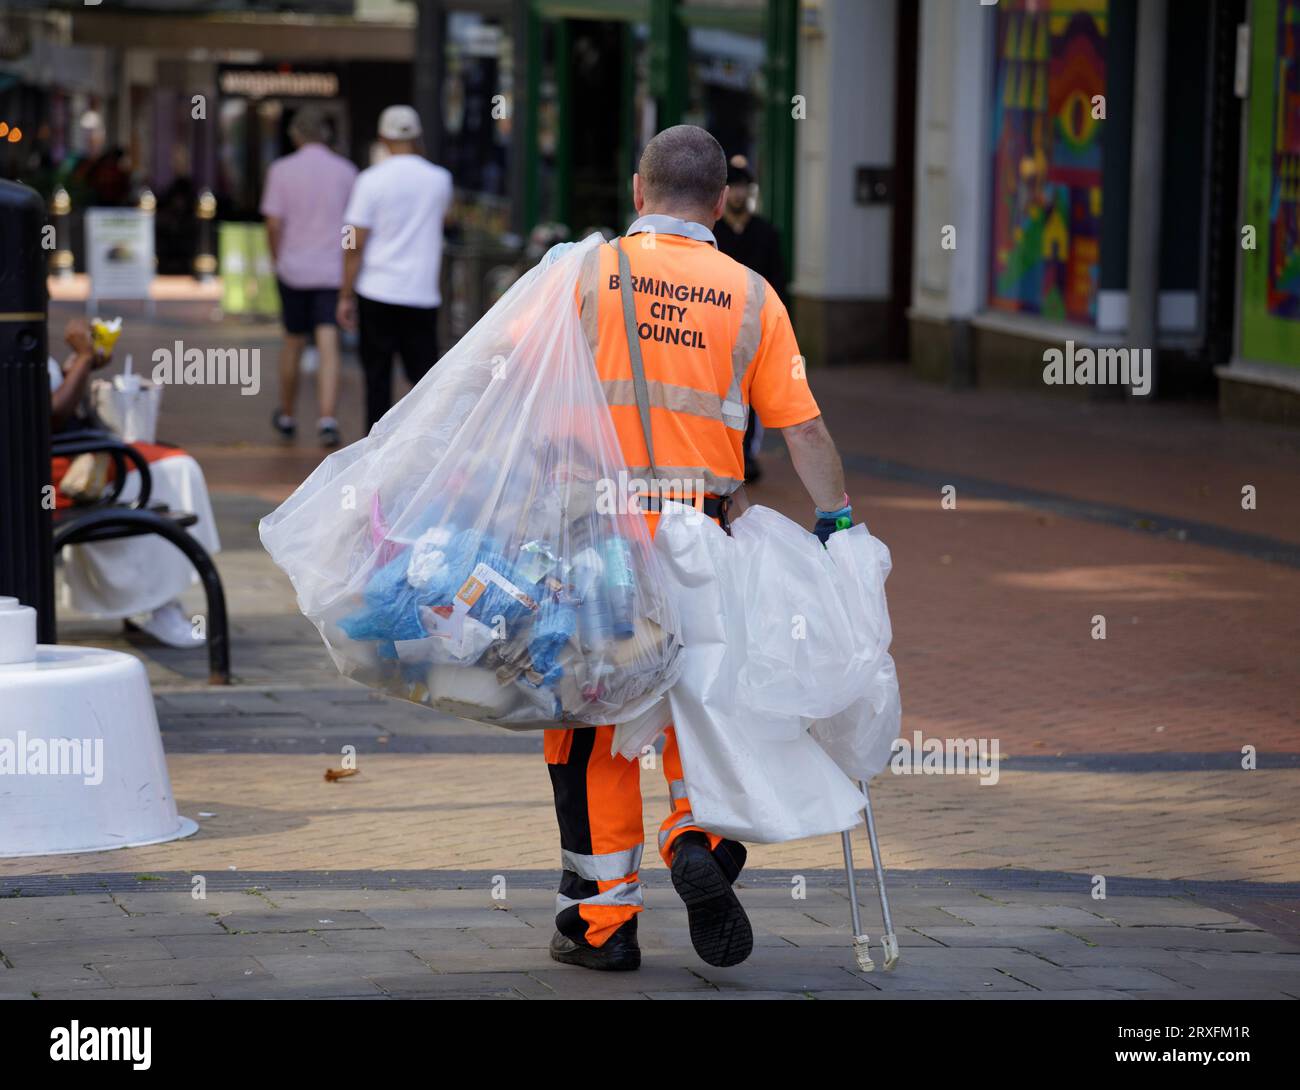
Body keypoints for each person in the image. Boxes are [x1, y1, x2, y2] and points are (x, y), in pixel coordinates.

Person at [546, 125, 855, 972]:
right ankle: (701, 844)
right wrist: (839, 525)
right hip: (701, 533)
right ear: (722, 203)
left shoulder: (584, 273)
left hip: (597, 538)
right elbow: (804, 428)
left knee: (592, 720)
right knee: (701, 703)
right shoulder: (753, 294)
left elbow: (509, 392)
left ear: (638, 191)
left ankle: (603, 927)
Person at [48, 319, 221, 649]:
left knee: (172, 463)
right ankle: (151, 601)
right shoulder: (15, 333)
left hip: (66, 455)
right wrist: (83, 358)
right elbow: (52, 414)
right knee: (173, 468)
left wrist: (80, 364)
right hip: (55, 470)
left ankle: (150, 599)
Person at [338, 105, 453, 428]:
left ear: (382, 138)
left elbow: (353, 241)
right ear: (417, 136)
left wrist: (345, 293)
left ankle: (374, 452)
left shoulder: (370, 181)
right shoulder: (440, 179)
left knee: (377, 379)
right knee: (424, 382)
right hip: (422, 293)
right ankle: (425, 447)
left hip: (376, 291)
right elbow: (445, 220)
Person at [261, 107, 358, 448]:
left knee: (293, 341)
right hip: (331, 271)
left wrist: (278, 259)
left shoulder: (281, 170)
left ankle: (287, 415)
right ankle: (327, 419)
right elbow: (352, 228)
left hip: (294, 269)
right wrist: (347, 261)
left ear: (295, 135)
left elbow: (273, 225)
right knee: (329, 343)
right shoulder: (346, 172)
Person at [714, 155, 789, 485]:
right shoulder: (712, 233)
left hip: (754, 328)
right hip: (717, 326)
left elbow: (777, 283)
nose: (738, 195)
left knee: (750, 396)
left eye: (743, 187)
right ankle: (723, 454)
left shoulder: (766, 233)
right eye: (732, 188)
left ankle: (746, 455)